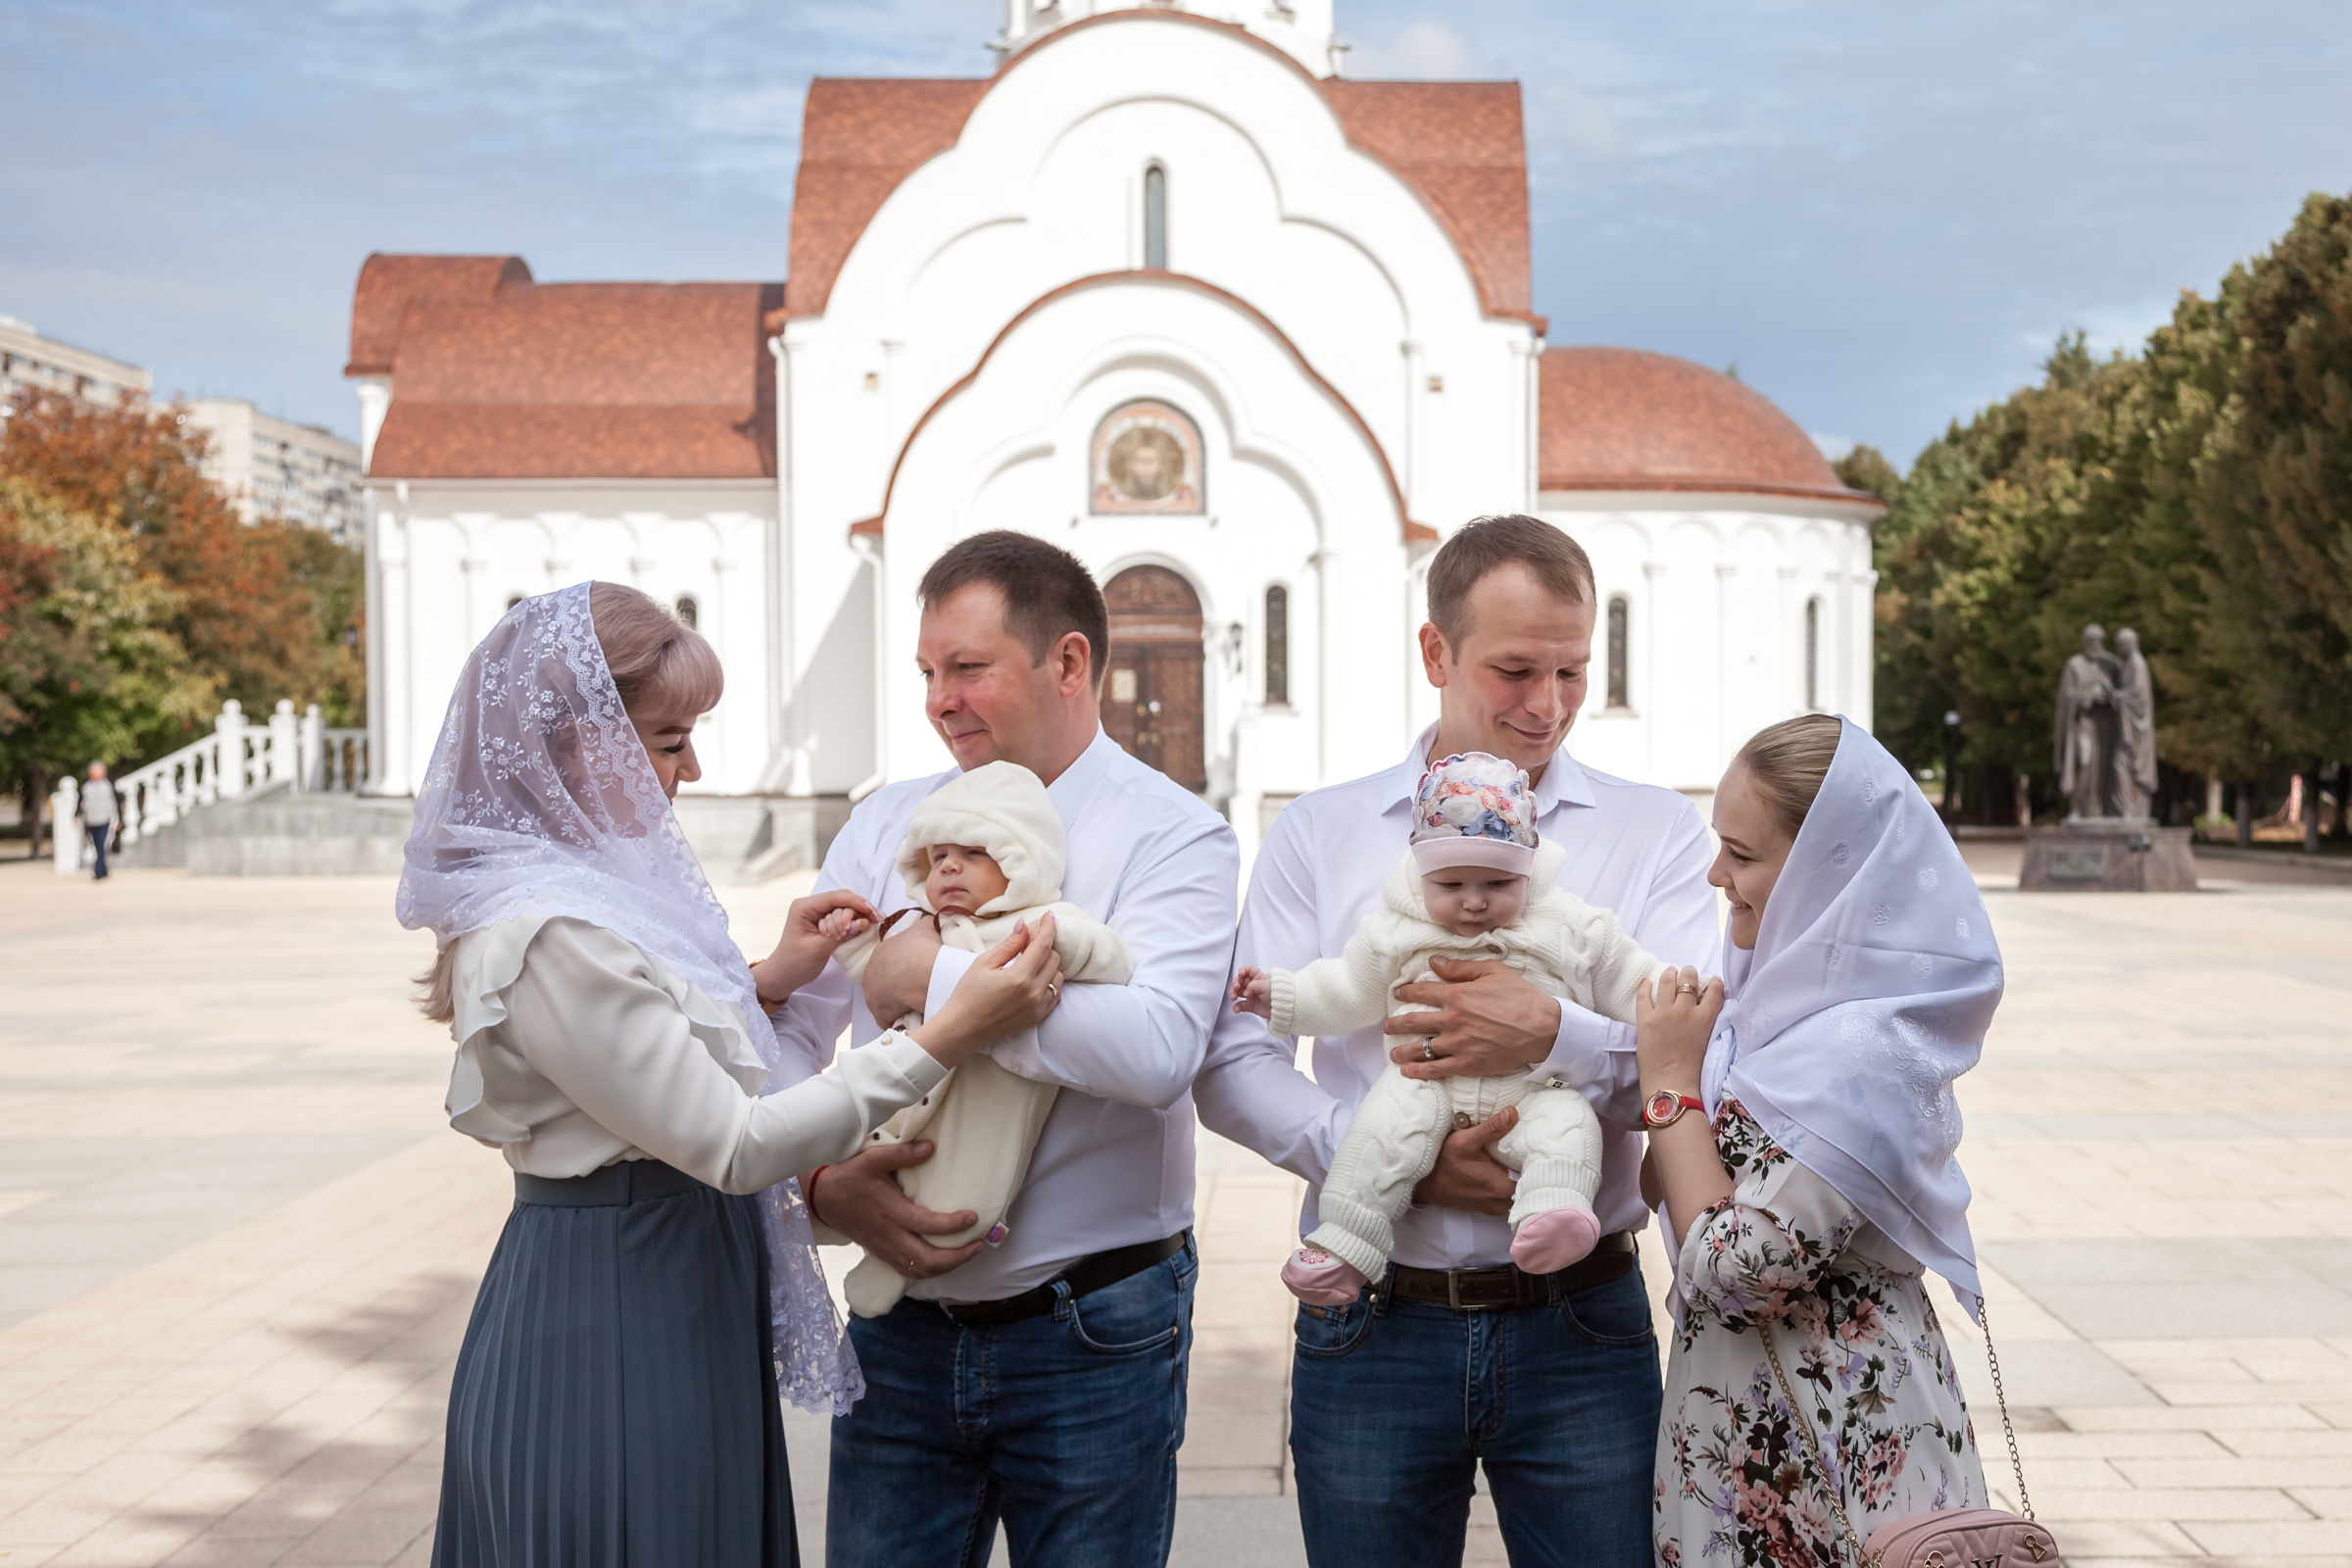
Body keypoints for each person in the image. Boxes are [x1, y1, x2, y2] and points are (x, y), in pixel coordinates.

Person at [401, 582, 1062, 1568]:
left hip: (671, 1277)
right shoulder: (548, 929)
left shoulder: (590, 897)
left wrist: (770, 981)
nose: (692, 768)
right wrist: (944, 1035)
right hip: (613, 1308)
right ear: (580, 746)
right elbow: (735, 1141)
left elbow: (649, 1049)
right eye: (669, 741)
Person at [1195, 514, 1719, 1568]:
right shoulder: (1321, 830)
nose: (1550, 705)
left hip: (1582, 1322)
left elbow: (1692, 1058)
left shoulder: (1653, 831)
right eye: (1517, 669)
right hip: (1373, 1316)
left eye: (1573, 670)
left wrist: (1554, 1029)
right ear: (1435, 653)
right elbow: (1236, 1059)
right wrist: (1396, 1161)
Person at [770, 531, 1239, 1568]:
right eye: (930, 673)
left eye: (968, 669)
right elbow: (791, 1033)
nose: (941, 699)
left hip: (1095, 1329)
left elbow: (1157, 1048)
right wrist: (817, 1180)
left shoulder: (1173, 834)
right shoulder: (887, 821)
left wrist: (922, 981)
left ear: (1069, 663)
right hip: (897, 1324)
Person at [1641, 714, 1998, 1563]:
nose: (1714, 872)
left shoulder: (1853, 1051)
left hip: (1831, 1468)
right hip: (1771, 1442)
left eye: (1743, 853)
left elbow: (1737, 1270)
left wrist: (1668, 1086)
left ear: (1828, 871)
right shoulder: (1780, 1016)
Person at [1229, 750, 1674, 1301]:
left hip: (1531, 1089)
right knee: (1376, 1136)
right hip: (1423, 1084)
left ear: (1528, 871)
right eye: (1452, 884)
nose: (1473, 903)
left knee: (1568, 1123)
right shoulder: (1395, 930)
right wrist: (1282, 995)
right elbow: (1346, 990)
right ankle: (1345, 1242)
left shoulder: (1569, 924)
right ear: (1421, 873)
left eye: (1496, 883)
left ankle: (1555, 1212)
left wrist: (1674, 995)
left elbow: (1627, 975)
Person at [825, 758, 1136, 1319]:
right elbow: (870, 968)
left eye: (973, 855)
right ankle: (868, 1239)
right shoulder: (918, 925)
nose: (949, 869)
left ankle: (899, 1266)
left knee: (967, 1188)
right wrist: (848, 936)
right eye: (939, 856)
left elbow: (1110, 956)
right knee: (859, 1144)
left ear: (1023, 864)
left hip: (987, 1106)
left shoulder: (1039, 924)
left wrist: (1060, 940)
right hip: (902, 1091)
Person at [79, 762, 119, 879]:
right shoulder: (86, 787)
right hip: (91, 820)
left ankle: (98, 871)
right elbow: (81, 803)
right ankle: (104, 869)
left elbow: (115, 803)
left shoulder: (108, 786)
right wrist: (77, 816)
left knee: (102, 844)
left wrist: (117, 819)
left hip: (104, 820)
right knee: (97, 845)